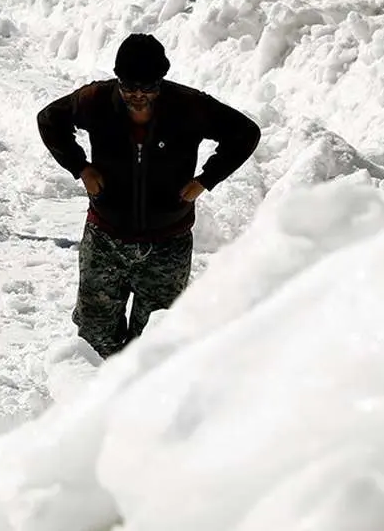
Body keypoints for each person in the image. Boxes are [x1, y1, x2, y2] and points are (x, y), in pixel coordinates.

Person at [37, 33, 261, 358]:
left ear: (161, 81)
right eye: (129, 88)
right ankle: (97, 405)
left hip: (167, 245)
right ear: (118, 79)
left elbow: (244, 133)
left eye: (148, 88)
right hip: (105, 239)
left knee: (154, 348)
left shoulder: (188, 106)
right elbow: (50, 119)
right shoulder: (96, 100)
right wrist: (81, 168)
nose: (138, 96)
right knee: (96, 341)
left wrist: (205, 180)